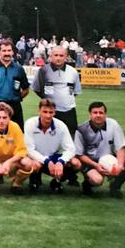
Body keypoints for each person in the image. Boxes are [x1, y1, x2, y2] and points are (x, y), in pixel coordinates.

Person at [31, 45, 81, 185]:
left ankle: (71, 176)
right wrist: (49, 103)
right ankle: (37, 175)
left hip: (69, 111)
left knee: (70, 144)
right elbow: (37, 89)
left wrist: (64, 100)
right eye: (55, 55)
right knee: (42, 143)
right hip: (51, 113)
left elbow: (75, 91)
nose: (58, 58)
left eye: (61, 55)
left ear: (66, 57)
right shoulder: (43, 70)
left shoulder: (73, 72)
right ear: (50, 56)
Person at [75, 102, 125, 198]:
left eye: (101, 113)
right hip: (91, 161)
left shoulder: (113, 125)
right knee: (97, 180)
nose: (98, 115)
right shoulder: (81, 130)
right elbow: (79, 155)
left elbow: (120, 148)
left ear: (105, 114)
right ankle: (87, 184)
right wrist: (96, 165)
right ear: (90, 114)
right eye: (95, 112)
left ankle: (115, 187)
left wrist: (119, 166)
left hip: (109, 157)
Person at [24, 98, 81, 193]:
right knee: (34, 164)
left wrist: (61, 162)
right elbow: (29, 150)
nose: (48, 115)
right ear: (39, 111)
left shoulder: (61, 126)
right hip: (36, 158)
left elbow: (71, 149)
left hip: (53, 156)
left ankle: (56, 181)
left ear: (55, 112)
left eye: (51, 112)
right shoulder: (30, 124)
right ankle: (34, 180)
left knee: (76, 163)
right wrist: (47, 161)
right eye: (45, 112)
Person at [0, 39, 29, 129]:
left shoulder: (19, 68)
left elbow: (26, 89)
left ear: (13, 52)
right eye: (4, 51)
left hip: (14, 106)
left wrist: (16, 97)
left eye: (9, 50)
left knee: (16, 133)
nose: (7, 53)